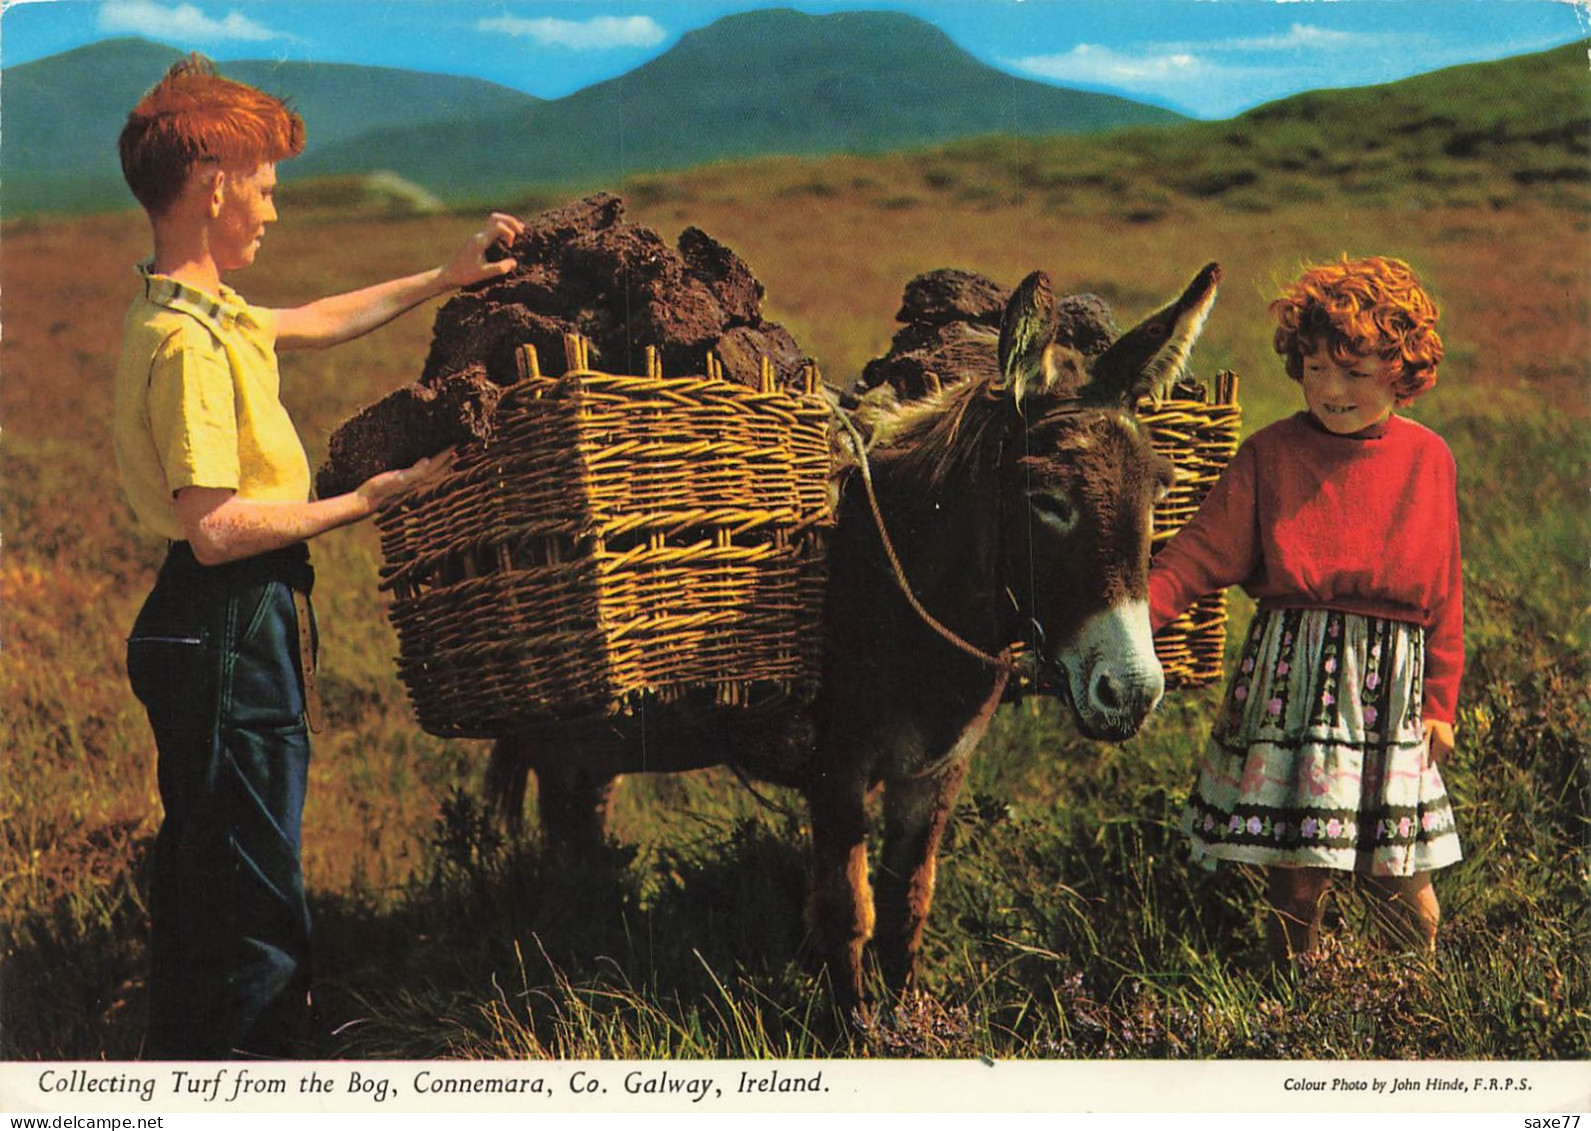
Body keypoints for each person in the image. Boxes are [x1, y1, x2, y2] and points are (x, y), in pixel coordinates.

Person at [114, 54, 525, 1058]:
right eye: (263, 187)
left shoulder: (201, 312)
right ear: (213, 188)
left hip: (229, 621)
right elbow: (216, 530)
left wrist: (444, 277)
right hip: (227, 617)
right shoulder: (187, 346)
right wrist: (365, 501)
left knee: (217, 863)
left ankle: (197, 1056)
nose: (272, 209)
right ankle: (262, 1071)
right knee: (252, 885)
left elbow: (312, 320)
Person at [1150, 254, 1463, 962]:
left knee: (1402, 882)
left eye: (1353, 373)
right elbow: (1196, 556)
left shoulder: (1428, 458)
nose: (1330, 389)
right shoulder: (1269, 453)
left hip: (1390, 699)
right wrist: (1128, 625)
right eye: (1315, 367)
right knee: (1296, 880)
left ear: (1401, 372)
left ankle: (1409, 1002)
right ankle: (1290, 1000)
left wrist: (1440, 700)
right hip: (1294, 687)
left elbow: (1444, 591)